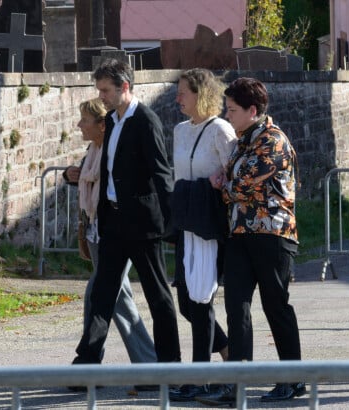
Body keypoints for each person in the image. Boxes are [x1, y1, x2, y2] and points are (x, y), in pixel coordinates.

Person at [70, 59, 181, 374]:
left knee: (158, 295)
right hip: (114, 224)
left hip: (143, 225)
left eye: (105, 90)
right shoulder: (114, 122)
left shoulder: (145, 121)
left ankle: (170, 366)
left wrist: (172, 222)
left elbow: (161, 173)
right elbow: (108, 173)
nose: (101, 96)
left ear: (125, 87)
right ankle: (87, 363)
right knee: (103, 294)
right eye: (99, 90)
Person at [200, 77, 305, 406]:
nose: (226, 114)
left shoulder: (272, 140)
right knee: (236, 308)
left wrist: (222, 185)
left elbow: (243, 184)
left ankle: (292, 379)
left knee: (276, 306)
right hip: (241, 233)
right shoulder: (242, 141)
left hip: (272, 233)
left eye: (232, 109)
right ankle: (236, 383)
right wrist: (225, 181)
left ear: (252, 110)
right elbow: (234, 178)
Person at [63, 99, 157, 373]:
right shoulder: (93, 150)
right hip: (95, 231)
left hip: (116, 231)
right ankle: (148, 363)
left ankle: (89, 363)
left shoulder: (113, 150)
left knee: (98, 294)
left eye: (84, 120)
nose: (80, 125)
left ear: (102, 125)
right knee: (118, 298)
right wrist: (72, 176)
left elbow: (116, 186)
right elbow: (87, 178)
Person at [168, 68, 235, 402]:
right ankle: (228, 353)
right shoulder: (180, 131)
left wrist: (219, 181)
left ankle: (200, 378)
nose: (178, 97)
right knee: (186, 302)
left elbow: (234, 172)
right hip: (185, 223)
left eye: (183, 92)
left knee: (202, 302)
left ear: (201, 94)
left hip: (209, 227)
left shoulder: (220, 130)